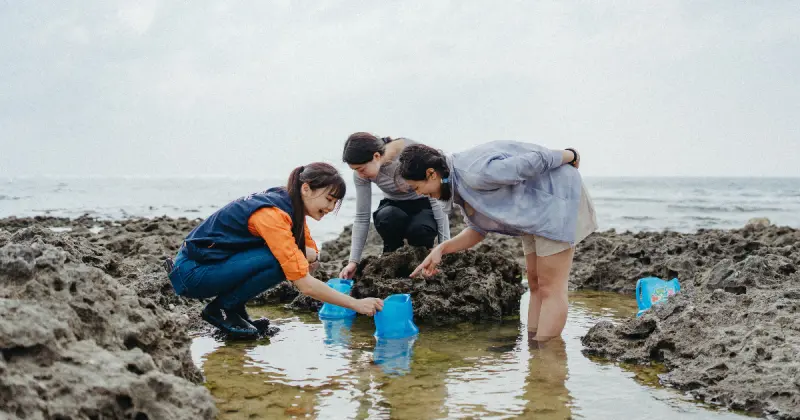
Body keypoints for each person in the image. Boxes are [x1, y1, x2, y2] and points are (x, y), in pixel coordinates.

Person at [396, 141, 597, 342]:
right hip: (532, 212)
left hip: (558, 199)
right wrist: (441, 249)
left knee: (550, 287)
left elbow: (536, 160)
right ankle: (535, 352)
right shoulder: (457, 182)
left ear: (431, 173)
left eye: (416, 187)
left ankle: (546, 356)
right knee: (535, 284)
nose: (419, 194)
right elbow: (477, 230)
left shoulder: (477, 173)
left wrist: (571, 154)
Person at [166, 162, 384, 339]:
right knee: (278, 259)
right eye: (328, 199)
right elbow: (305, 285)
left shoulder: (291, 203)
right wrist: (355, 304)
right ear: (306, 188)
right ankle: (220, 309)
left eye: (335, 203)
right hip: (192, 274)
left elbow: (310, 252)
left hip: (212, 265)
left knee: (285, 255)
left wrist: (307, 255)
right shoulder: (273, 214)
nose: (330, 208)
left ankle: (233, 309)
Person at [338, 132, 451, 279]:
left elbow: (438, 203)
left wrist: (444, 249)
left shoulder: (412, 155)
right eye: (355, 170)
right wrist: (353, 261)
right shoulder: (362, 174)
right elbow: (362, 217)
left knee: (420, 230)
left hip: (423, 204)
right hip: (393, 206)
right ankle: (390, 253)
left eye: (361, 169)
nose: (360, 175)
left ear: (376, 156)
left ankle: (423, 254)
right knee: (388, 217)